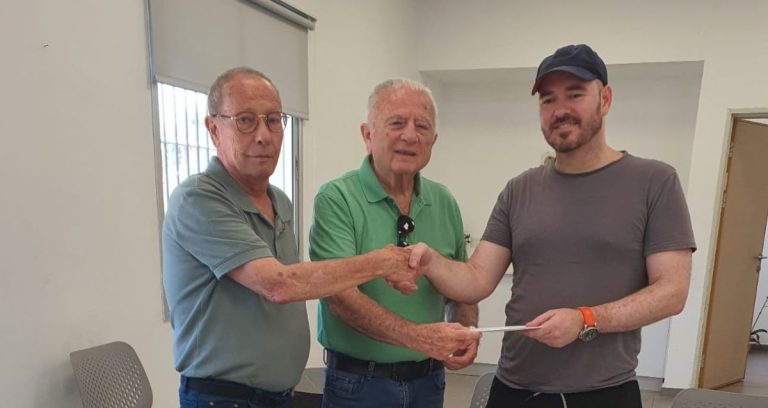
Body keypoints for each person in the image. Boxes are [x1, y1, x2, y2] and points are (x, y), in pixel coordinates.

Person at [409, 44, 697, 408]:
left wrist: (586, 319)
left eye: (574, 94)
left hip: (604, 394)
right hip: (514, 389)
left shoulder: (654, 182)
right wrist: (430, 261)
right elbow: (477, 278)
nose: (560, 110)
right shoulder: (519, 189)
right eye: (548, 100)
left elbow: (672, 291)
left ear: (605, 99)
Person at [162, 67, 421, 408]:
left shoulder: (279, 201)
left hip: (279, 396)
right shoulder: (198, 199)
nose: (263, 135)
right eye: (245, 121)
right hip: (224, 398)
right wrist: (383, 262)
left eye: (273, 120)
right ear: (213, 128)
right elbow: (279, 285)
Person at [308, 78, 481, 408]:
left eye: (422, 126)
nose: (410, 136)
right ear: (367, 135)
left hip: (429, 382)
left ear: (433, 140)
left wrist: (465, 330)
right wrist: (419, 338)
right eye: (397, 123)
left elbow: (460, 287)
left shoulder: (444, 202)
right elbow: (340, 299)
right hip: (359, 385)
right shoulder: (337, 198)